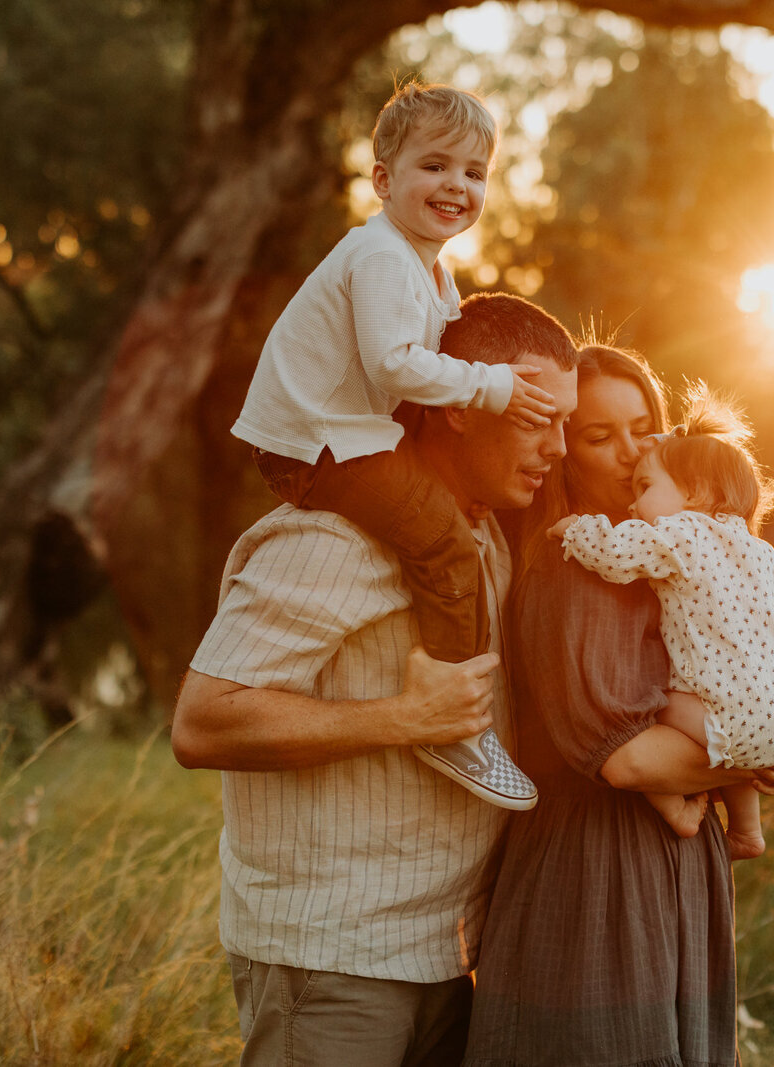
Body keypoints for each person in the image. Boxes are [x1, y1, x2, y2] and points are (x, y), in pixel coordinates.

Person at [172, 293, 579, 1067]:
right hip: (333, 959)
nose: (557, 445)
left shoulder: (483, 529)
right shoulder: (330, 539)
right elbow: (202, 722)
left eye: (565, 421)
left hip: (449, 951)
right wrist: (403, 719)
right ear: (457, 402)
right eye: (535, 415)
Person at [463, 346, 774, 1067]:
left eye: (644, 426)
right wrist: (748, 753)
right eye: (599, 436)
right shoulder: (575, 565)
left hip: (680, 858)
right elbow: (624, 761)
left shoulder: (679, 557)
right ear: (563, 450)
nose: (632, 453)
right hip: (598, 865)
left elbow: (750, 660)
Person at [231, 80, 553, 809]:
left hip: (353, 431)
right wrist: (494, 385)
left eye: (475, 173)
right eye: (435, 166)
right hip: (313, 442)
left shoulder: (430, 266)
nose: (456, 185)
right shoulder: (379, 256)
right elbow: (393, 364)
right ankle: (449, 718)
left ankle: (467, 687)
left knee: (454, 513)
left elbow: (429, 358)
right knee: (441, 538)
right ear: (383, 179)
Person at [548, 383, 774, 860]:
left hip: (732, 719)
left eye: (645, 488)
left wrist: (577, 530)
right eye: (601, 437)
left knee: (650, 709)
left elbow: (614, 553)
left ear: (693, 494)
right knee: (726, 728)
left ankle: (674, 806)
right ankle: (748, 829)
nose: (634, 504)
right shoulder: (760, 551)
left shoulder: (681, 534)